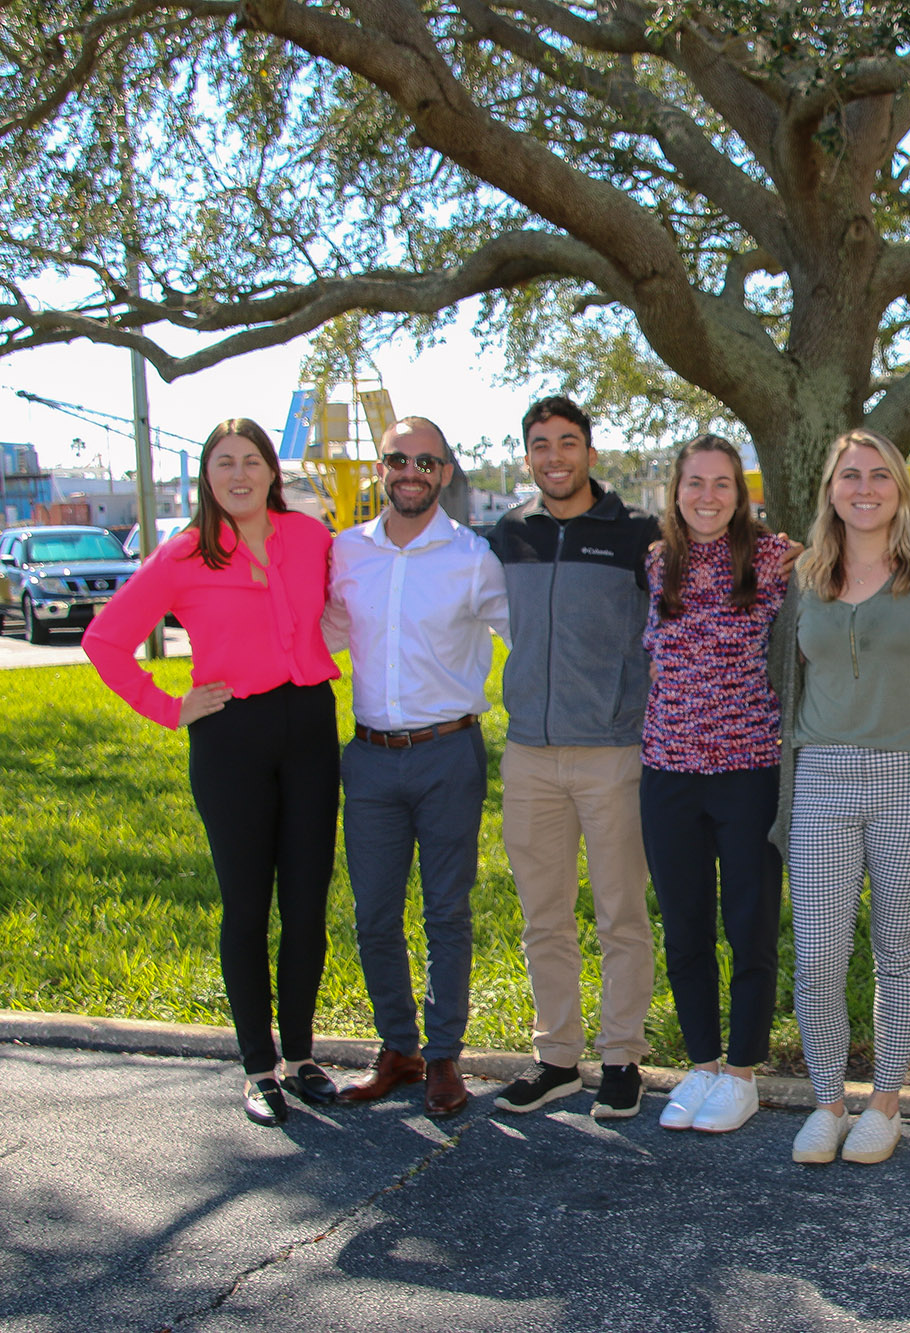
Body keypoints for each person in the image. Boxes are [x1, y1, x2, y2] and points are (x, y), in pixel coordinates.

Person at [83, 418, 341, 1127]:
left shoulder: (311, 538)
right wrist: (169, 708)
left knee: (309, 902)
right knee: (248, 905)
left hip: (312, 728)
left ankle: (302, 1054)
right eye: (223, 462)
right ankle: (259, 1067)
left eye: (251, 460)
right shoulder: (185, 554)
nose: (239, 474)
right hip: (230, 738)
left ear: (270, 471)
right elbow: (103, 640)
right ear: (206, 475)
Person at [769, 428, 910, 1166]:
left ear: (900, 488)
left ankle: (885, 1102)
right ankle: (828, 1099)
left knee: (898, 947)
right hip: (821, 776)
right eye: (850, 474)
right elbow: (781, 672)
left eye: (879, 475)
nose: (865, 488)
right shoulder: (804, 575)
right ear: (830, 488)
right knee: (819, 954)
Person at [322, 417, 508, 1119]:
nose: (410, 471)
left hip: (448, 754)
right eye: (398, 458)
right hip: (368, 758)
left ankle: (443, 1055)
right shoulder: (346, 553)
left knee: (445, 912)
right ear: (380, 467)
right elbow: (326, 633)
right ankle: (396, 1049)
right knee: (374, 914)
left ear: (446, 474)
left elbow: (524, 637)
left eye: (425, 462)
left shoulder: (472, 557)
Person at [488, 395, 661, 1120]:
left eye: (567, 442)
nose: (554, 456)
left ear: (590, 450)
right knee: (543, 916)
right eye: (539, 444)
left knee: (622, 913)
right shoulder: (509, 534)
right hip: (529, 753)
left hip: (614, 752)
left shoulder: (639, 536)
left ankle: (622, 1055)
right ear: (527, 455)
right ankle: (556, 1056)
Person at [640, 435, 796, 1135]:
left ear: (741, 493)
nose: (707, 495)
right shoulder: (657, 563)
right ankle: (701, 1063)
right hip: (667, 770)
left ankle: (742, 1071)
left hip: (747, 768)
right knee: (685, 925)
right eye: (694, 482)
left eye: (722, 483)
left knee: (749, 923)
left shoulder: (773, 559)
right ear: (675, 491)